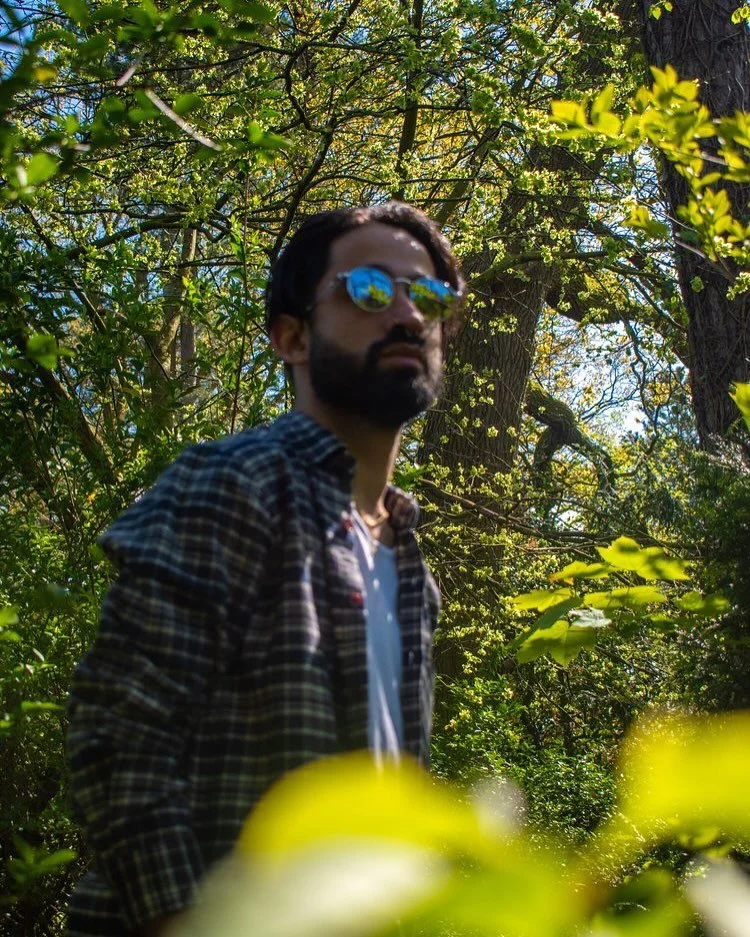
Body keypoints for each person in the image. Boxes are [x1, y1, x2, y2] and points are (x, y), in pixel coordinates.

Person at [65, 201, 465, 936]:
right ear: (291, 337)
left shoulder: (410, 565)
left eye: (429, 295)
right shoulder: (231, 484)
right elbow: (118, 743)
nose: (408, 314)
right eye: (371, 290)